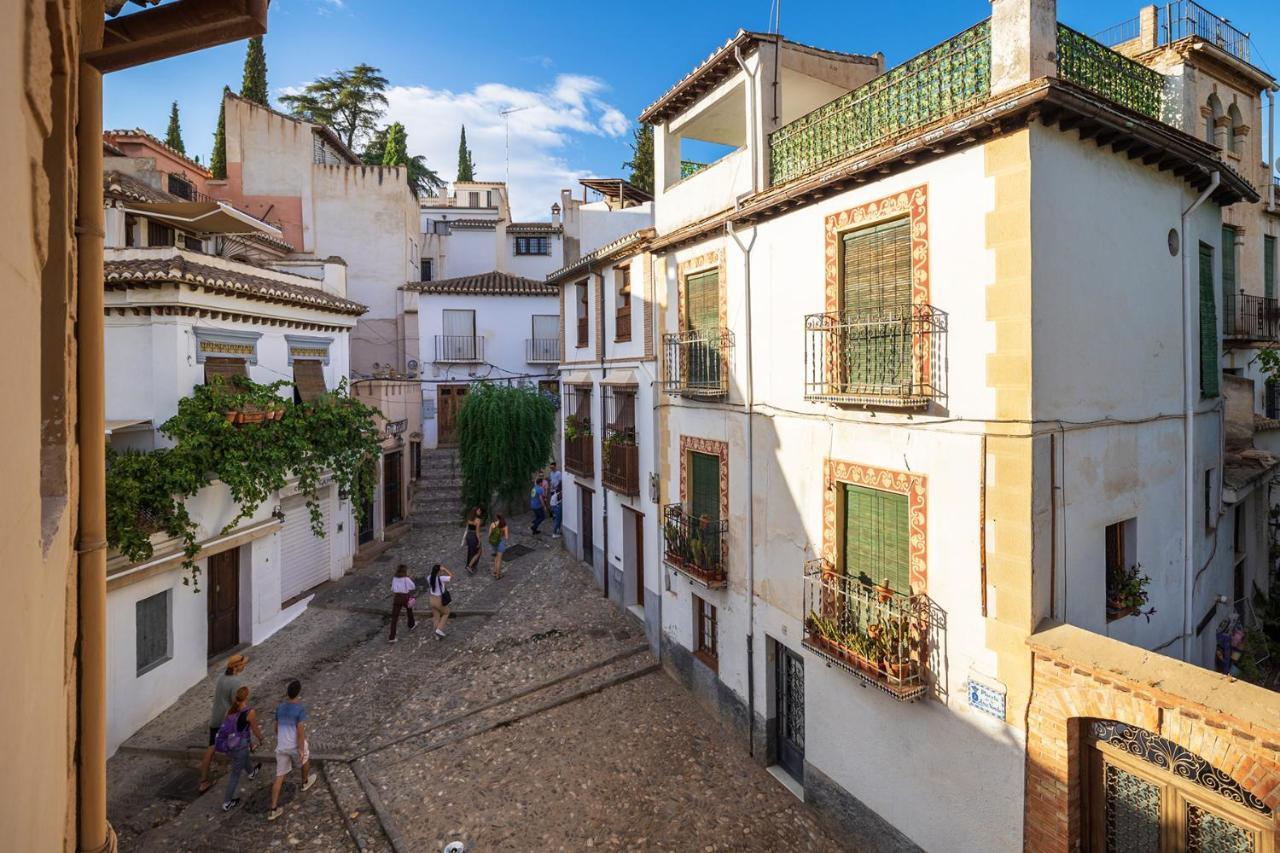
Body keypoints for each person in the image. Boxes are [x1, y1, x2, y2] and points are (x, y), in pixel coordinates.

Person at [199, 653, 249, 793]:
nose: (245, 665)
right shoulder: (236, 683)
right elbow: (237, 704)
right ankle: (243, 773)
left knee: (211, 749)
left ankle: (203, 781)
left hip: (215, 719)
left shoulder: (221, 678)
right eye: (243, 663)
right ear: (237, 666)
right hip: (226, 721)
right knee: (239, 743)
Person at [267, 679, 316, 821]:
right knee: (305, 759)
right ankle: (305, 782)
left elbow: (276, 728)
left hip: (282, 746)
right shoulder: (299, 709)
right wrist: (300, 749)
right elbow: (300, 733)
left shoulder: (280, 708)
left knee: (279, 776)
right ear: (299, 693)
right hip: (294, 745)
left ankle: (273, 808)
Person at [216, 685, 265, 812]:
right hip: (240, 746)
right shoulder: (250, 712)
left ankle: (251, 773)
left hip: (230, 745)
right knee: (235, 774)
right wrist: (261, 739)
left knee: (243, 757)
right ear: (246, 697)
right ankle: (227, 802)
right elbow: (254, 729)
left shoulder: (230, 711)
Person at [388, 563, 417, 643]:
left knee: (394, 618)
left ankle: (392, 637)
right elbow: (413, 587)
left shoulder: (394, 578)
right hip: (405, 597)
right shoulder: (406, 579)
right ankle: (411, 624)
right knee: (409, 610)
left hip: (397, 598)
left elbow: (393, 589)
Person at [428, 563, 453, 639]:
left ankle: (436, 636)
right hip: (439, 600)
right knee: (446, 613)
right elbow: (451, 576)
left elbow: (432, 576)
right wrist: (445, 569)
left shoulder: (429, 577)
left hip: (431, 599)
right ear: (439, 572)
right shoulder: (441, 578)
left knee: (436, 618)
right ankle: (439, 629)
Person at [462, 506, 484, 575]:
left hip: (469, 536)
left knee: (471, 551)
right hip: (474, 537)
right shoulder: (478, 520)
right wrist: (479, 541)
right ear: (475, 512)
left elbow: (468, 528)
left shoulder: (469, 518)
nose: (480, 512)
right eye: (479, 511)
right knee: (478, 551)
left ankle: (470, 565)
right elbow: (477, 532)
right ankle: (470, 566)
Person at [489, 513, 510, 580]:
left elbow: (489, 535)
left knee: (496, 557)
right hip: (500, 543)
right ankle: (498, 575)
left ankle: (495, 571)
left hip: (493, 543)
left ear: (497, 517)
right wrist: (502, 534)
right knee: (499, 560)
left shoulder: (493, 524)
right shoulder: (505, 526)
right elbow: (506, 537)